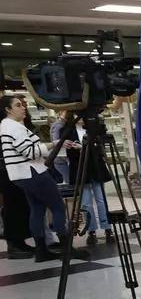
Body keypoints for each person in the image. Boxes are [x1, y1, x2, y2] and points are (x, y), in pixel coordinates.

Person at [1, 96, 86, 262]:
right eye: (18, 105)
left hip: (21, 175)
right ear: (8, 110)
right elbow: (31, 152)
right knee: (58, 207)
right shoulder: (14, 128)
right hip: (33, 172)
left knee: (37, 209)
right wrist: (55, 144)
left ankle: (41, 251)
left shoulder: (6, 126)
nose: (23, 107)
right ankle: (66, 248)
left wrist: (55, 143)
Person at [53, 111, 114, 246]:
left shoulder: (94, 128)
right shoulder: (67, 130)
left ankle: (107, 228)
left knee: (101, 199)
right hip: (79, 168)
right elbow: (66, 151)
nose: (79, 118)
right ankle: (91, 231)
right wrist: (74, 148)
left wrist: (85, 148)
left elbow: (101, 149)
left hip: (96, 167)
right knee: (85, 202)